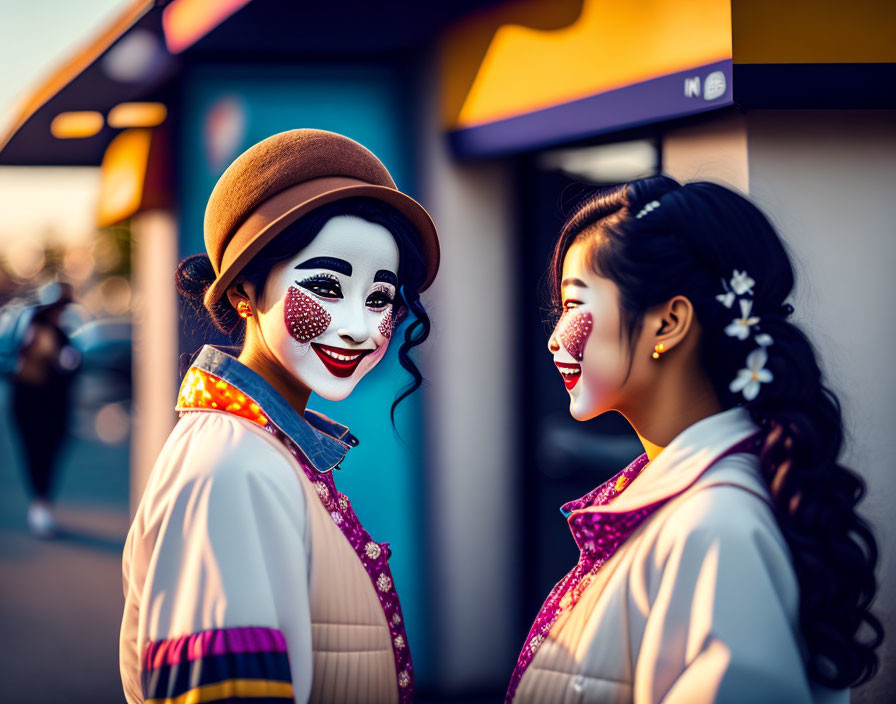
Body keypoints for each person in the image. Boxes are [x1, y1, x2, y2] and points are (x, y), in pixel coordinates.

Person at [507, 176, 882, 703]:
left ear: (670, 322)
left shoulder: (715, 527)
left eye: (574, 305)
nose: (554, 337)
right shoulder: (688, 509)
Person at [119, 129, 439, 704]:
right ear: (243, 291)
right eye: (325, 287)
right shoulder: (232, 468)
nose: (359, 328)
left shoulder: (260, 451)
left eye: (380, 296)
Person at [3, 282, 81, 537]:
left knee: (47, 457)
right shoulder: (27, 330)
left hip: (52, 409)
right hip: (29, 406)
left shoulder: (62, 335)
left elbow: (71, 369)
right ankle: (40, 507)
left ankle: (41, 505)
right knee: (37, 457)